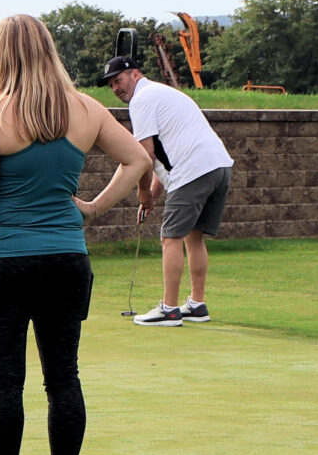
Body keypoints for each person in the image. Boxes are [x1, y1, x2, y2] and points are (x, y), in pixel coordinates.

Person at [0, 16, 152, 455]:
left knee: (5, 378)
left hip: (6, 262)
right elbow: (138, 161)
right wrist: (92, 208)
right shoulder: (87, 108)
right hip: (65, 261)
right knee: (63, 376)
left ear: (3, 56)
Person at [100, 52, 234, 327]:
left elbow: (145, 155)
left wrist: (143, 193)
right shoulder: (161, 93)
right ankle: (197, 305)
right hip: (218, 166)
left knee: (170, 238)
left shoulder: (141, 99)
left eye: (119, 80)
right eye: (111, 84)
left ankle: (169, 309)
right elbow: (166, 155)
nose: (115, 88)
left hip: (193, 170)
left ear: (135, 74)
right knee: (193, 237)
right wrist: (153, 195)